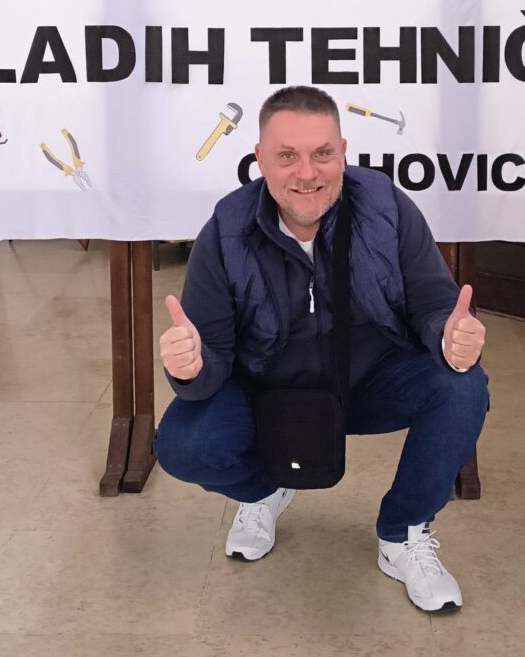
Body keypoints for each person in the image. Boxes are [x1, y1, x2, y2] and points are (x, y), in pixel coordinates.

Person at [155, 86, 490, 612]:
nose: (306, 173)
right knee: (183, 444)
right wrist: (191, 368)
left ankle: (403, 534)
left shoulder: (385, 205)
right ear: (260, 158)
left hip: (364, 384)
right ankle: (263, 491)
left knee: (462, 386)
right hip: (266, 393)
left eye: (323, 154)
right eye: (287, 155)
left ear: (343, 152)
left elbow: (432, 303)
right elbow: (210, 351)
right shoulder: (226, 228)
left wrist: (450, 335)